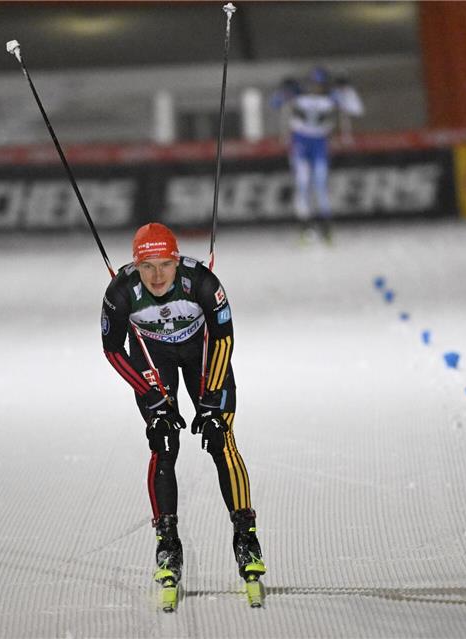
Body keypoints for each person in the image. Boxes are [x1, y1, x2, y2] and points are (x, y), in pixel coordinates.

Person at [101, 222, 266, 591]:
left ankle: (246, 538)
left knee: (222, 439)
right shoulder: (121, 293)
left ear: (176, 262)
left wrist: (210, 405)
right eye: (147, 267)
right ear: (135, 267)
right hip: (153, 356)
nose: (157, 275)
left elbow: (223, 340)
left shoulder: (203, 283)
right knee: (163, 444)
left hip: (202, 355)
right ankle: (168, 544)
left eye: (164, 265)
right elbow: (113, 350)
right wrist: (153, 397)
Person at [273, 66, 364, 243]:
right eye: (313, 84)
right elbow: (275, 103)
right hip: (300, 142)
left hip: (320, 143)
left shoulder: (331, 98)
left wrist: (347, 89)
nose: (316, 88)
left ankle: (326, 228)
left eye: (320, 84)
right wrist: (283, 88)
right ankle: (305, 227)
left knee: (320, 185)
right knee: (303, 183)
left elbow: (356, 109)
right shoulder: (299, 95)